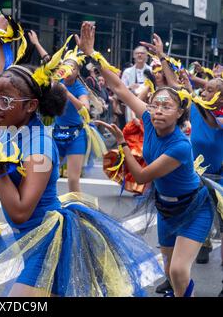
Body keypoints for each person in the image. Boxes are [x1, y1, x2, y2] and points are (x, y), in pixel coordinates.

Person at [0, 14, 162, 297]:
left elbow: (20, 210)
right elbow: (5, 77)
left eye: (5, 101)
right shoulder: (13, 125)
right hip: (32, 243)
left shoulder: (37, 145)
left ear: (31, 106)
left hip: (46, 248)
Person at [79, 23, 221, 296]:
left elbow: (143, 177)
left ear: (180, 113)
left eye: (166, 107)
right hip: (165, 207)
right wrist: (92, 53)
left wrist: (122, 143)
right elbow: (120, 88)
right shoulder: (147, 117)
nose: (157, 111)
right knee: (169, 270)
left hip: (194, 207)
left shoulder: (180, 145)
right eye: (155, 105)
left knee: (179, 271)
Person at [121, 46, 151, 124]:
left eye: (142, 53)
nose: (139, 55)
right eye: (137, 53)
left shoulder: (151, 71)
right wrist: (130, 87)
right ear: (134, 56)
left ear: (146, 56)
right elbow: (121, 89)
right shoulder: (127, 72)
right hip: (132, 102)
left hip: (147, 103)